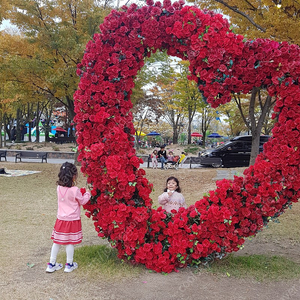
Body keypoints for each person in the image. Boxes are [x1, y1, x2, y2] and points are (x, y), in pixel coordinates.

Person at [46, 162, 91, 273]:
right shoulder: (75, 190)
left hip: (61, 219)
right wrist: (88, 193)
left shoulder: (58, 188)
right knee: (70, 242)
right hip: (72, 220)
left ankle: (51, 264)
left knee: (56, 242)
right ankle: (69, 264)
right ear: (74, 176)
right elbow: (83, 201)